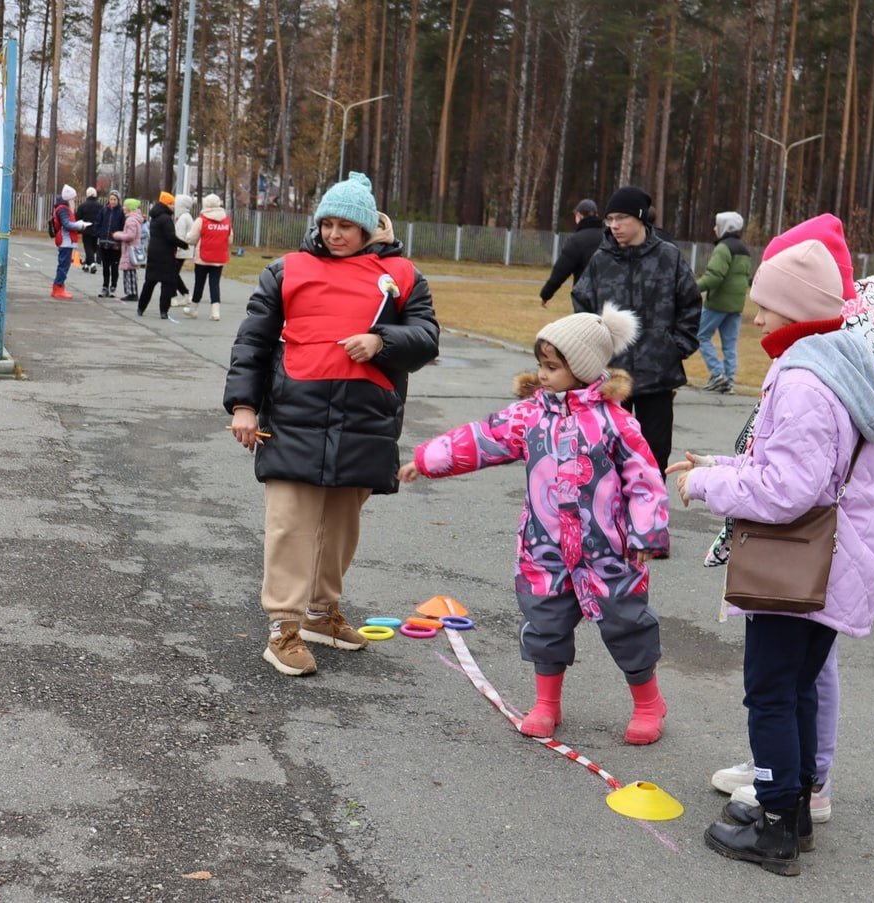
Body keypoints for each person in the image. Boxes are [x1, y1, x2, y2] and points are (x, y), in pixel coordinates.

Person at [668, 223, 874, 877]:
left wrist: (709, 482)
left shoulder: (803, 382)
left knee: (769, 692)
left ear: (796, 308)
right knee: (795, 689)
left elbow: (786, 490)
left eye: (767, 302)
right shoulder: (833, 364)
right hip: (834, 561)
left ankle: (773, 830)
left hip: (803, 566)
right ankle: (790, 810)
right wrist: (717, 459)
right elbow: (799, 465)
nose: (756, 312)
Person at [400, 305, 671, 744]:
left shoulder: (615, 423)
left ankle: (647, 703)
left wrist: (645, 533)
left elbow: (644, 478)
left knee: (629, 624)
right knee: (545, 622)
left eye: (553, 367)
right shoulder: (529, 416)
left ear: (582, 369)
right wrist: (425, 460)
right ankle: (547, 702)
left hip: (608, 550)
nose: (542, 375)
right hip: (544, 548)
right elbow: (481, 439)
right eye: (540, 365)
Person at [224, 171, 439, 677]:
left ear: (367, 229)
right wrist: (243, 406)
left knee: (340, 527)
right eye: (328, 224)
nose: (335, 234)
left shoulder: (403, 276)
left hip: (364, 421)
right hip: (293, 419)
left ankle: (321, 613)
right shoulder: (287, 270)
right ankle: (284, 627)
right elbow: (252, 341)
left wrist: (382, 341)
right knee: (290, 526)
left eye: (347, 225)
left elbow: (427, 336)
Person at [572, 185, 702, 480]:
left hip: (657, 376)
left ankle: (650, 519)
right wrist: (592, 353)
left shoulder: (669, 258)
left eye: (621, 218)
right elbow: (582, 305)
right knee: (605, 452)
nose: (614, 226)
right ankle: (610, 518)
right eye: (610, 219)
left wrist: (674, 347)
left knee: (654, 456)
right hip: (610, 375)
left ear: (641, 218)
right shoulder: (600, 260)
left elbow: (691, 303)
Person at [696, 211, 753, 394]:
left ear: (725, 226)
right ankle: (729, 381)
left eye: (717, 224)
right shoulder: (744, 250)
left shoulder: (723, 248)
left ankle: (717, 374)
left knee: (700, 335)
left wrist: (692, 288)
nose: (714, 228)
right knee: (729, 344)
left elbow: (714, 277)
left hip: (718, 303)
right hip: (736, 304)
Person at [539, 198, 604, 305]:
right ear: (596, 215)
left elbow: (560, 272)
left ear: (579, 216)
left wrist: (545, 294)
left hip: (585, 299)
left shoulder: (576, 241)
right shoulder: (609, 237)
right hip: (611, 297)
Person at [136, 193, 189, 319]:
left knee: (149, 283)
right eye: (171, 204)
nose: (173, 206)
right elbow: (170, 237)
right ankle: (163, 311)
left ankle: (141, 307)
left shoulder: (154, 217)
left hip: (154, 253)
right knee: (167, 284)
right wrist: (184, 244)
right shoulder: (166, 219)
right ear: (166, 204)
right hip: (165, 255)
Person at [183, 193, 233, 320]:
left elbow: (192, 238)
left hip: (202, 257)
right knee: (215, 283)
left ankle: (193, 309)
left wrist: (186, 237)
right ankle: (215, 311)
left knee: (199, 283)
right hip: (219, 257)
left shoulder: (201, 219)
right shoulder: (226, 219)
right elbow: (230, 238)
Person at [50, 185, 90, 300]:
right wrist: (80, 225)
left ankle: (59, 287)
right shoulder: (63, 209)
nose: (75, 201)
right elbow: (67, 224)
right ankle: (58, 288)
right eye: (73, 198)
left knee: (64, 265)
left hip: (66, 240)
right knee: (63, 266)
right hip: (65, 241)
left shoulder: (63, 208)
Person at [94, 191, 126, 298]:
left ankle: (113, 286)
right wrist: (99, 233)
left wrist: (119, 237)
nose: (112, 201)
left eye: (114, 199)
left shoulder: (121, 212)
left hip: (115, 245)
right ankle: (105, 286)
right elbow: (97, 223)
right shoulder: (104, 210)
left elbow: (123, 227)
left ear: (118, 201)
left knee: (114, 267)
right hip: (104, 243)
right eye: (111, 199)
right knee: (105, 266)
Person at [113, 198, 144, 302]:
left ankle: (131, 293)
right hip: (134, 248)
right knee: (131, 272)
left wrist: (118, 235)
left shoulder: (130, 220)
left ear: (130, 208)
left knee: (129, 272)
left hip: (129, 249)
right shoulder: (136, 219)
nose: (123, 208)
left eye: (125, 206)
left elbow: (130, 236)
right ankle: (132, 292)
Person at [77, 187, 104, 274]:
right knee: (93, 248)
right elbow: (103, 218)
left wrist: (78, 230)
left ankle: (92, 264)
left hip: (86, 229)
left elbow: (78, 218)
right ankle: (86, 264)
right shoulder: (101, 206)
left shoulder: (82, 206)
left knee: (88, 247)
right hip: (96, 230)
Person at [173, 193, 195, 298]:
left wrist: (176, 248)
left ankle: (182, 294)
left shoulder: (183, 218)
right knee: (174, 273)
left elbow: (180, 236)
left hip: (181, 251)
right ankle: (184, 293)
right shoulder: (186, 217)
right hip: (184, 250)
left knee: (172, 273)